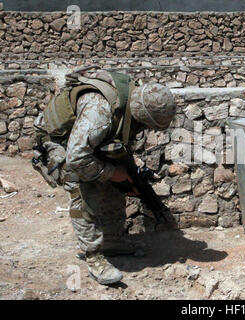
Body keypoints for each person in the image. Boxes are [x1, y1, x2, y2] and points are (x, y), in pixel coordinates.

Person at [33, 67, 176, 285]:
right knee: (82, 191)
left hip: (85, 143)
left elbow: (120, 142)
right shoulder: (99, 112)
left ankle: (111, 241)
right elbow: (76, 157)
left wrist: (128, 173)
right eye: (148, 125)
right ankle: (93, 257)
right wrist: (111, 172)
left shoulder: (132, 101)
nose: (147, 129)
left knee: (116, 184)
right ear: (143, 115)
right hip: (60, 143)